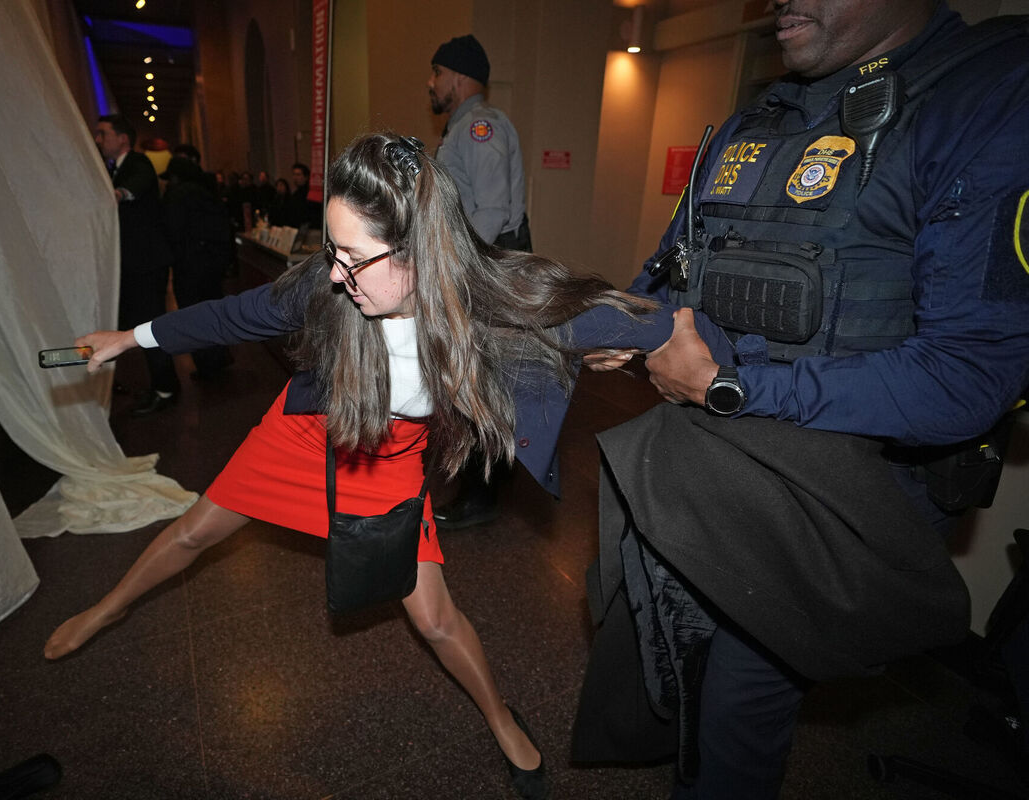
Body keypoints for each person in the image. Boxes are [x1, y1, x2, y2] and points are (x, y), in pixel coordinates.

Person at [44, 132, 721, 799]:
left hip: (389, 456)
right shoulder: (329, 287)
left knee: (432, 617)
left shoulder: (493, 302)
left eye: (352, 256)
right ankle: (107, 609)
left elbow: (646, 321)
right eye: (333, 251)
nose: (336, 273)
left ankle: (498, 717)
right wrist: (129, 338)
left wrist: (680, 355)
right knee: (196, 530)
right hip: (308, 430)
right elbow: (231, 315)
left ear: (419, 251)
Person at [575, 2, 1029, 798]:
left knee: (740, 699)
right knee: (677, 655)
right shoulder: (760, 115)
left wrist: (726, 388)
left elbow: (967, 378)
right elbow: (674, 270)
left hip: (849, 487)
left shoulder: (987, 96)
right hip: (724, 461)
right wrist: (625, 324)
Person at [426, 34, 532, 530]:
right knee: (481, 377)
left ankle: (479, 495)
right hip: (485, 264)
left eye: (437, 73)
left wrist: (458, 268)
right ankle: (491, 476)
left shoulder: (479, 128)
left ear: (459, 77)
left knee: (475, 380)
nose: (432, 83)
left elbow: (490, 211)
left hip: (482, 267)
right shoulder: (465, 127)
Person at [93, 113, 180, 416]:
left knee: (150, 328)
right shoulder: (113, 168)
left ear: (123, 139)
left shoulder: (138, 163)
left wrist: (117, 193)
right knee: (137, 327)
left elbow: (137, 185)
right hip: (133, 265)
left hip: (146, 264)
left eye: (103, 134)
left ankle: (167, 389)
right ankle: (158, 384)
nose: (98, 140)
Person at [160, 155, 235, 380]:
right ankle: (219, 358)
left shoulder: (177, 196)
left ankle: (207, 366)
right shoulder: (204, 192)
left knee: (193, 316)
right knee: (212, 313)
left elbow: (172, 230)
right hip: (210, 265)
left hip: (190, 267)